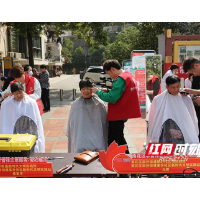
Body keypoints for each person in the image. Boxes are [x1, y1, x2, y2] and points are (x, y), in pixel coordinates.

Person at [91, 59, 141, 154]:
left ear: (113, 69)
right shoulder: (128, 75)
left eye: (108, 73)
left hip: (117, 114)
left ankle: (112, 160)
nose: (109, 76)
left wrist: (98, 92)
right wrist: (108, 91)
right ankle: (127, 158)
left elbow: (112, 98)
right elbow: (121, 93)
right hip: (123, 113)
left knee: (113, 141)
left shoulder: (120, 79)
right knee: (120, 138)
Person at [146, 75, 199, 148]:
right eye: (173, 87)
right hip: (165, 132)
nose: (176, 89)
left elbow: (191, 119)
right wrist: (170, 130)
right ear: (167, 87)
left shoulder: (186, 99)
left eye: (178, 86)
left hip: (183, 132)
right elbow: (153, 120)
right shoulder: (158, 99)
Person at [0, 82, 45, 153]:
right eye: (16, 94)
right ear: (12, 94)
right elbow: (5, 124)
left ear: (23, 90)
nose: (19, 95)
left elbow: (36, 121)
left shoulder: (31, 102)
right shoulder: (7, 104)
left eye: (20, 92)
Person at [67, 80, 108, 153]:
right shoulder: (76, 105)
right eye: (83, 89)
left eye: (88, 89)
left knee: (99, 149)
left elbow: (104, 123)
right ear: (80, 90)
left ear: (92, 89)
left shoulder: (100, 104)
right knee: (78, 149)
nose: (86, 91)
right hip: (80, 136)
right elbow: (72, 123)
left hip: (97, 137)